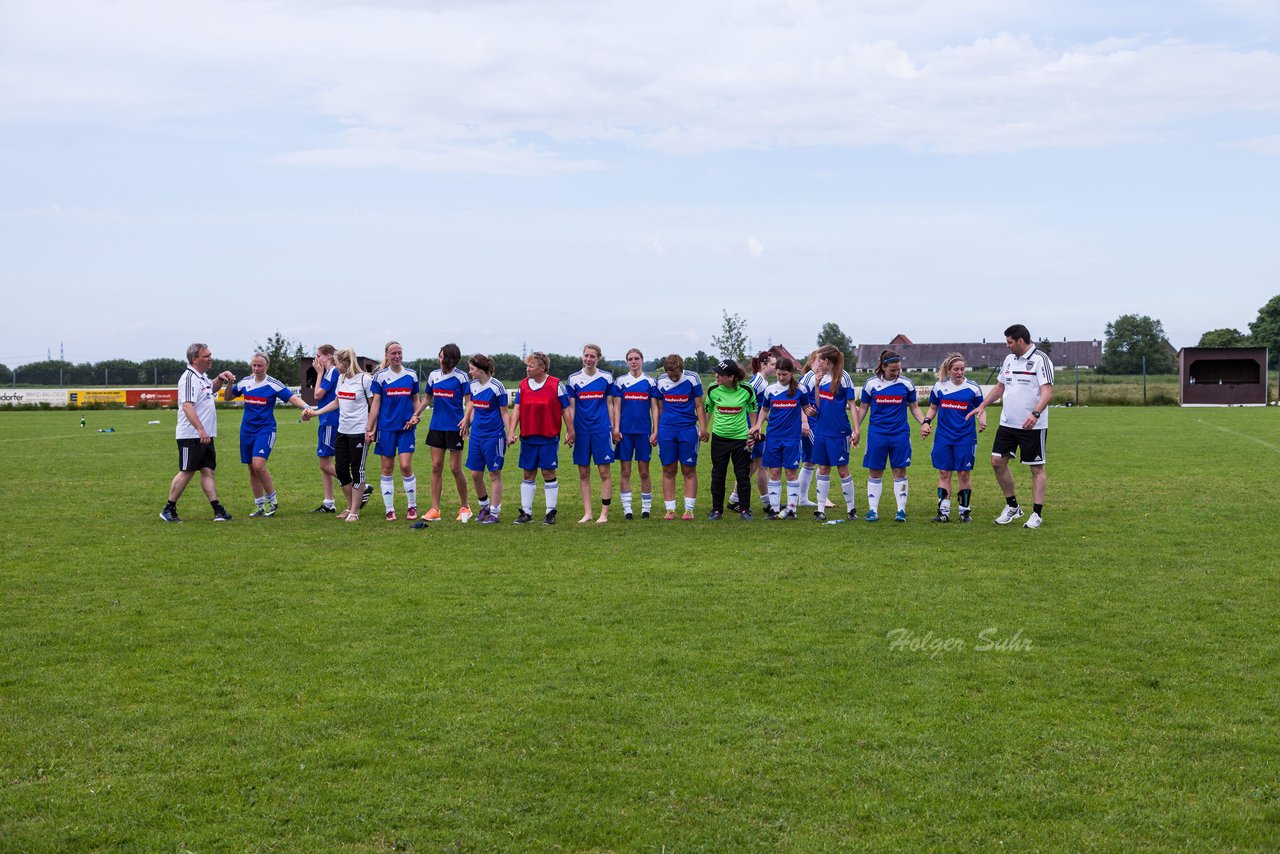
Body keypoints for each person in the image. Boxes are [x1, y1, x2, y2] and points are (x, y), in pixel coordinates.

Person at [966, 324, 1054, 529]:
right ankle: (1013, 507)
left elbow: (1047, 391)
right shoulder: (1008, 360)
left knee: (1036, 468)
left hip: (1032, 425)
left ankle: (1036, 514)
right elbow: (1000, 387)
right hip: (1007, 422)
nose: (1007, 346)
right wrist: (982, 405)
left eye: (1009, 342)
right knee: (997, 462)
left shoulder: (1041, 360)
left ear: (1020, 341)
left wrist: (1035, 414)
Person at [224, 352, 311, 517]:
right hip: (247, 430)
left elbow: (292, 398)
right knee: (251, 469)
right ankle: (259, 504)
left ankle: (273, 501)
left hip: (265, 429)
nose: (256, 369)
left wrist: (306, 407)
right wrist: (229, 384)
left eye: (259, 366)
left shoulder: (273, 384)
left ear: (267, 366)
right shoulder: (245, 382)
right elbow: (228, 397)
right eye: (254, 365)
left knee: (258, 465)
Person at [160, 342, 234, 523]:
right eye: (206, 356)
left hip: (205, 434)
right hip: (191, 435)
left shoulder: (201, 377)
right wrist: (200, 430)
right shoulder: (188, 378)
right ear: (195, 359)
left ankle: (218, 510)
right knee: (187, 471)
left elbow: (211, 389)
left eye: (210, 355)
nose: (210, 358)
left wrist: (220, 378)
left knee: (208, 471)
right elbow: (187, 406)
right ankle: (168, 509)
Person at [855, 349, 926, 522]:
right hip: (877, 433)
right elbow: (863, 407)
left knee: (899, 470)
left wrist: (925, 422)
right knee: (875, 471)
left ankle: (901, 510)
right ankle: (873, 511)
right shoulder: (871, 384)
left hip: (900, 434)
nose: (896, 373)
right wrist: (855, 428)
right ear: (883, 367)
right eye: (893, 370)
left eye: (899, 369)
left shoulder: (906, 384)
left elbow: (914, 406)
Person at [302, 347, 372, 522]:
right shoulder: (341, 379)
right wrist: (317, 413)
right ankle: (350, 506)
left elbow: (374, 407)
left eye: (337, 362)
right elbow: (336, 402)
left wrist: (371, 429)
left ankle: (355, 510)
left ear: (346, 363)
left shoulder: (364, 379)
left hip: (359, 433)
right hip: (342, 431)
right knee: (341, 470)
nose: (335, 365)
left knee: (357, 471)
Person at [507, 351, 574, 525]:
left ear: (542, 367)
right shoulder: (523, 385)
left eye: (531, 366)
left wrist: (571, 430)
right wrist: (511, 431)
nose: (527, 369)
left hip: (548, 436)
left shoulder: (556, 385)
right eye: (527, 366)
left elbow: (565, 410)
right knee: (528, 473)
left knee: (548, 472)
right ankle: (526, 513)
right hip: (528, 436)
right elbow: (518, 409)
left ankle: (550, 512)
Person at [921, 353, 986, 522]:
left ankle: (964, 511)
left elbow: (981, 408)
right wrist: (926, 422)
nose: (959, 372)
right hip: (944, 437)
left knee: (964, 474)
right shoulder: (940, 386)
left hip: (965, 437)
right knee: (944, 473)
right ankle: (944, 512)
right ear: (949, 370)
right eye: (956, 369)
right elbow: (933, 407)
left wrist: (982, 420)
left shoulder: (973, 388)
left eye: (962, 369)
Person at [366, 341, 422, 522]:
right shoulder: (380, 377)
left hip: (406, 428)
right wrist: (370, 428)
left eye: (399, 353)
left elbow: (416, 400)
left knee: (405, 465)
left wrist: (416, 415)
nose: (397, 356)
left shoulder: (411, 375)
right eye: (393, 353)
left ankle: (412, 506)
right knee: (387, 467)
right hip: (386, 428)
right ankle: (389, 509)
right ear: (387, 356)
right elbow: (375, 404)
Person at [805, 344, 861, 522]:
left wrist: (856, 429)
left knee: (843, 470)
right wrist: (815, 386)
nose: (816, 362)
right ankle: (820, 510)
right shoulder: (820, 377)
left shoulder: (843, 377)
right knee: (822, 469)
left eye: (819, 360)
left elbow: (852, 405)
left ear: (827, 361)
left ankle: (851, 509)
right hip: (821, 430)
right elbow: (819, 403)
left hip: (839, 432)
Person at [752, 356, 810, 519]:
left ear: (791, 373)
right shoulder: (770, 390)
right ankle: (774, 509)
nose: (781, 377)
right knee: (774, 472)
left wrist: (806, 420)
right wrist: (758, 424)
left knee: (791, 473)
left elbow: (805, 408)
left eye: (784, 374)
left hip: (792, 438)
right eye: (778, 374)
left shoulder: (801, 390)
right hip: (773, 438)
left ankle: (791, 510)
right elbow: (764, 409)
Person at [420, 343, 472, 522]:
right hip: (436, 427)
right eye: (439, 356)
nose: (439, 359)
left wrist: (466, 420)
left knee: (455, 468)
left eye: (442, 356)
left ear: (450, 359)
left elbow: (470, 402)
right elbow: (427, 398)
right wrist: (415, 414)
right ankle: (435, 509)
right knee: (436, 467)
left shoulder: (462, 377)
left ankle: (465, 507)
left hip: (455, 428)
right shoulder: (434, 375)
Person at [654, 354, 709, 520]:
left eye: (676, 375)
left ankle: (689, 509)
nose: (673, 378)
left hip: (688, 430)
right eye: (671, 376)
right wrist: (656, 430)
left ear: (682, 369)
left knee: (688, 469)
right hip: (667, 430)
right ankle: (670, 509)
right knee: (668, 469)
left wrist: (704, 428)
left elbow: (699, 405)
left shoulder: (692, 378)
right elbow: (659, 408)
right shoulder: (661, 380)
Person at [459, 353, 510, 525]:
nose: (470, 371)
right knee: (475, 473)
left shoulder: (497, 387)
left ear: (481, 370)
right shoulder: (472, 385)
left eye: (472, 368)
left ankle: (495, 512)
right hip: (477, 436)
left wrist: (510, 432)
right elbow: (472, 404)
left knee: (494, 473)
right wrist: (467, 420)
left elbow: (504, 412)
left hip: (494, 436)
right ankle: (484, 506)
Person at [704, 359, 758, 520]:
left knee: (743, 475)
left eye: (720, 374)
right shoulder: (713, 389)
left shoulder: (747, 389)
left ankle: (744, 510)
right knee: (718, 475)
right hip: (719, 439)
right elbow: (708, 409)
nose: (716, 376)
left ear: (732, 377)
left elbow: (753, 408)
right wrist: (703, 429)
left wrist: (753, 430)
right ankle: (716, 510)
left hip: (742, 439)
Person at [567, 343, 615, 523]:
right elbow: (571, 408)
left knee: (604, 472)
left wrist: (613, 427)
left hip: (601, 429)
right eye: (586, 355)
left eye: (592, 356)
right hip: (581, 431)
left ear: (598, 358)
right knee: (584, 473)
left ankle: (604, 513)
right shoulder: (573, 379)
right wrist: (570, 430)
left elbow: (610, 404)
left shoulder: (606, 377)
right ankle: (587, 513)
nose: (588, 359)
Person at [610, 347, 659, 520]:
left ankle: (646, 508)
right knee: (625, 471)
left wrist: (656, 430)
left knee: (644, 472)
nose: (633, 361)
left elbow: (654, 408)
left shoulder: (650, 382)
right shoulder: (620, 381)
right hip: (625, 433)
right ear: (627, 362)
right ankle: (627, 508)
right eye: (630, 359)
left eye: (636, 358)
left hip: (644, 433)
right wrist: (615, 428)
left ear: (642, 360)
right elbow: (616, 407)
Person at [729, 350, 776, 513]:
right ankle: (767, 504)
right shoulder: (757, 382)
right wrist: (754, 428)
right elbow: (744, 402)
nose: (775, 368)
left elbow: (762, 408)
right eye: (773, 364)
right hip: (752, 432)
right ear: (763, 365)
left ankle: (733, 500)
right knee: (761, 465)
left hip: (753, 431)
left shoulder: (762, 382)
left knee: (751, 467)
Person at [310, 344, 340, 513]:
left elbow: (317, 395)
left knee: (324, 463)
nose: (317, 360)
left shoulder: (332, 372)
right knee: (325, 462)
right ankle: (328, 502)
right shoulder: (331, 372)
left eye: (319, 356)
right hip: (326, 419)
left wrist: (319, 373)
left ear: (328, 356)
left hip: (330, 420)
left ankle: (359, 485)